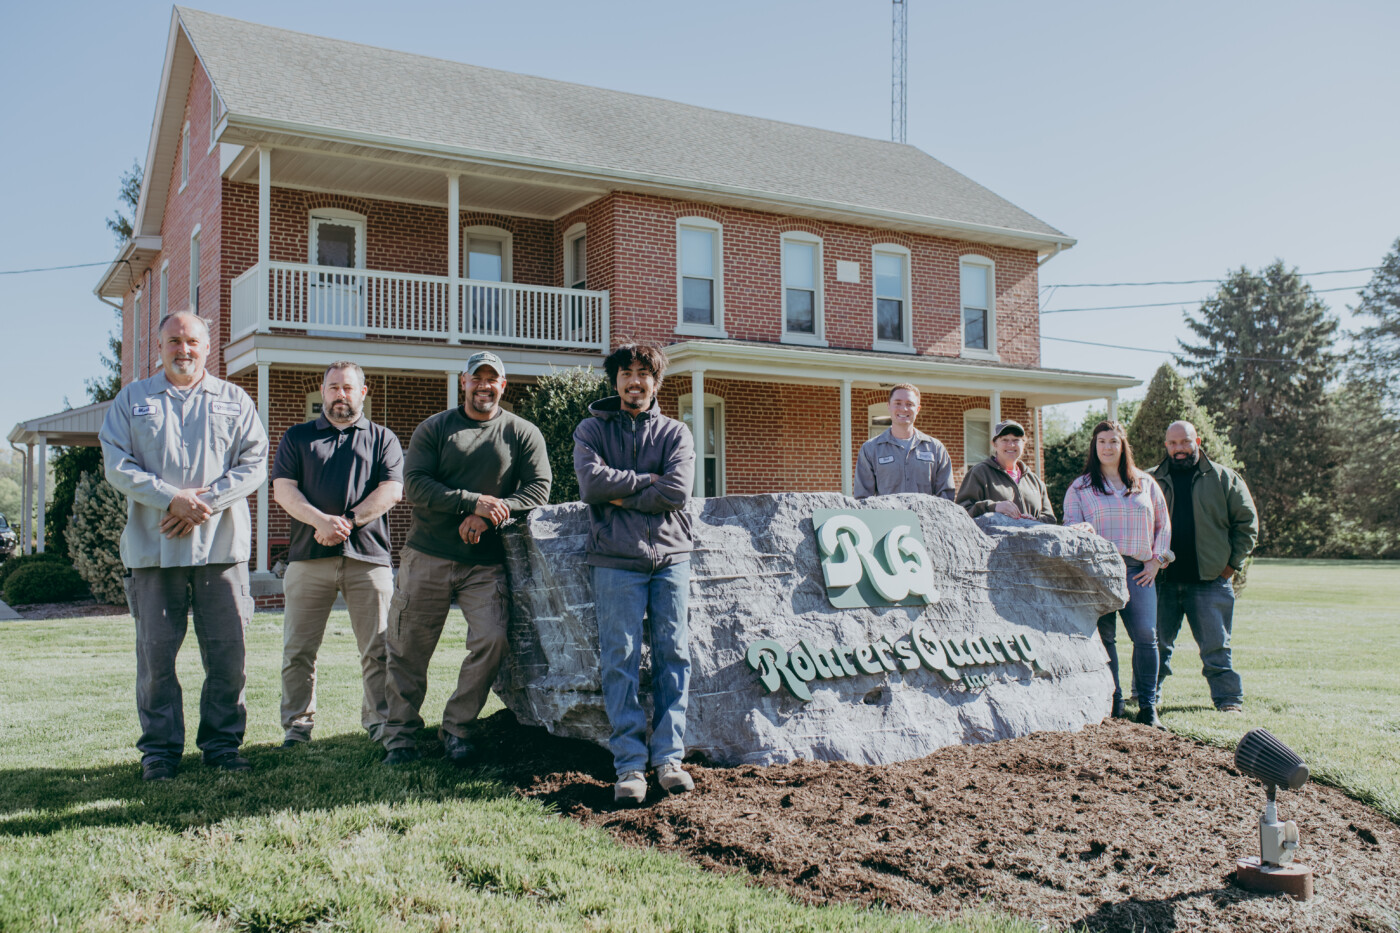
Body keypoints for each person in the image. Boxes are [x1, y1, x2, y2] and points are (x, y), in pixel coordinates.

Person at [99, 311, 268, 781]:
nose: (183, 349)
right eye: (173, 340)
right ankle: (160, 753)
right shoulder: (132, 401)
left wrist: (203, 503)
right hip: (154, 552)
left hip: (221, 549)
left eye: (192, 340)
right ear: (159, 347)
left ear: (207, 347)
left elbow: (255, 462)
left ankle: (221, 746)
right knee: (156, 659)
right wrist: (171, 499)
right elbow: (117, 464)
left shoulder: (234, 400)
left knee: (227, 656)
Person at [381, 350, 551, 765]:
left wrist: (490, 518)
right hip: (428, 556)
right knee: (407, 649)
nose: (484, 386)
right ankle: (400, 737)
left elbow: (538, 491)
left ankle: (458, 727)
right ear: (464, 382)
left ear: (503, 386)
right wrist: (472, 503)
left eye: (493, 379)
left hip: (485, 563)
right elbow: (416, 485)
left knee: (492, 640)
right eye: (477, 378)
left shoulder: (522, 433)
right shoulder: (435, 429)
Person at [573, 344, 696, 804]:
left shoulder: (676, 433)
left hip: (671, 558)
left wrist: (622, 489)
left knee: (673, 654)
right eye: (626, 373)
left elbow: (678, 491)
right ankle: (629, 766)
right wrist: (649, 482)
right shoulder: (591, 430)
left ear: (656, 382)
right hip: (615, 560)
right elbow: (591, 485)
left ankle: (669, 759)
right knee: (619, 660)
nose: (634, 381)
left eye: (644, 373)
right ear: (615, 381)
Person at [271, 361, 404, 747]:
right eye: (333, 387)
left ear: (363, 393)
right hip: (307, 560)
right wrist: (320, 522)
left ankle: (380, 722)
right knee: (298, 650)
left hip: (369, 560)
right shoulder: (297, 438)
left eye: (348, 387)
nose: (339, 394)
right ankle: (297, 727)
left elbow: (392, 491)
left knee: (378, 649)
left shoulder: (383, 439)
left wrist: (346, 521)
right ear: (323, 391)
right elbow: (283, 490)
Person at [1062, 420, 1172, 728]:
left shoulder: (1145, 484)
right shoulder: (1081, 487)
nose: (1107, 447)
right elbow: (1070, 525)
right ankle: (1115, 701)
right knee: (1105, 638)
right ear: (1094, 447)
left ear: (1123, 446)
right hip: (1100, 573)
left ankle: (1149, 707)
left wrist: (1157, 561)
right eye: (1101, 442)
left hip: (1139, 572)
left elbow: (1163, 526)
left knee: (1146, 638)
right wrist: (1078, 529)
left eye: (1113, 441)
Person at [1149, 421, 1258, 713]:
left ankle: (1228, 700)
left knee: (1216, 647)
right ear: (1166, 446)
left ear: (1197, 440)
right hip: (1161, 580)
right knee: (1155, 645)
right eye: (1172, 444)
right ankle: (1147, 695)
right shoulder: (1149, 480)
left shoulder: (1224, 478)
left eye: (1184, 442)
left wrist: (1231, 565)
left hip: (1210, 580)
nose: (1178, 449)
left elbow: (1247, 525)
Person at [854, 384, 954, 500]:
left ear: (917, 409)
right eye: (897, 403)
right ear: (889, 406)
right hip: (887, 518)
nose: (903, 408)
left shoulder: (936, 449)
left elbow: (946, 498)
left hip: (926, 518)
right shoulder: (870, 449)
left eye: (909, 404)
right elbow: (863, 499)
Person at [955, 419, 1056, 522]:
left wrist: (1034, 521)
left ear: (1024, 443)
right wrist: (994, 507)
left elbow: (1050, 518)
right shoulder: (979, 473)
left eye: (1016, 440)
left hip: (1032, 537)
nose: (1011, 445)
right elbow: (961, 511)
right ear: (994, 444)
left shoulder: (1034, 480)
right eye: (1005, 440)